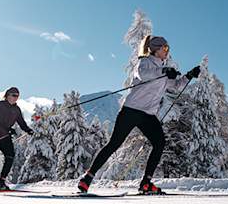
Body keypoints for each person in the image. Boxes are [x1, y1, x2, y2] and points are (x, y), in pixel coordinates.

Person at [79, 35, 199, 194]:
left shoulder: (163, 69)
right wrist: (164, 71)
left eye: (168, 48)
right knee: (114, 143)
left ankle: (146, 182)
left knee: (159, 142)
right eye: (165, 48)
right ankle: (87, 177)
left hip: (148, 115)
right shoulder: (144, 63)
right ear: (156, 49)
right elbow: (144, 75)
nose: (167, 51)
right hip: (131, 110)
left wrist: (188, 76)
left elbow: (176, 86)